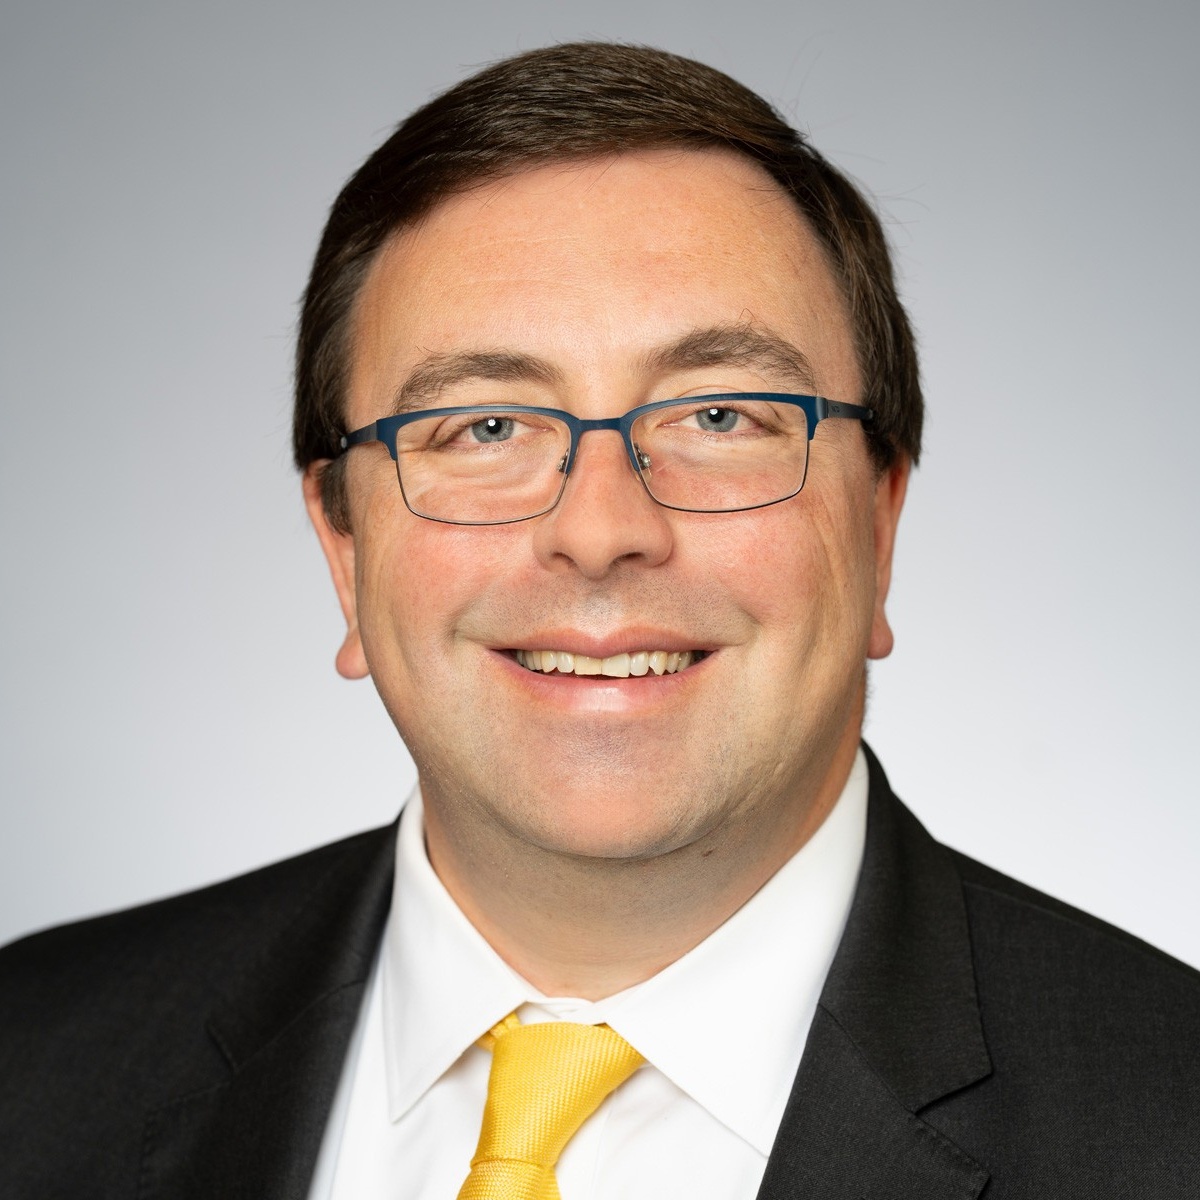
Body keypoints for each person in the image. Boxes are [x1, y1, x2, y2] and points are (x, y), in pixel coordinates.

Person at [1, 41, 1197, 1200]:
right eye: (485, 426)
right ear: (343, 545)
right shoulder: (33, 1063)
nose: (601, 528)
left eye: (720, 416)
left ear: (879, 521)